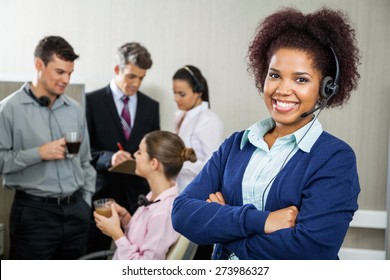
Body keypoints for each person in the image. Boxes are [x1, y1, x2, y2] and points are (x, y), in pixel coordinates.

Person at [172, 7, 361, 260]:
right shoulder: (235, 145)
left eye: (301, 80)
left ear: (325, 89)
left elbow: (309, 250)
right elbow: (182, 213)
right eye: (275, 75)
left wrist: (225, 224)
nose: (283, 89)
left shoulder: (335, 158)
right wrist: (263, 221)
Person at [0, 36, 96, 259]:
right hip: (34, 215)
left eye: (70, 73)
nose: (66, 79)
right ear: (38, 65)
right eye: (60, 72)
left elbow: (85, 162)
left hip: (76, 213)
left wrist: (86, 202)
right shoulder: (8, 110)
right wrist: (39, 153)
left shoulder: (74, 109)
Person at [85, 42, 160, 253]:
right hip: (102, 195)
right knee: (94, 255)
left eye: (141, 78)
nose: (136, 83)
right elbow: (83, 152)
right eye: (131, 76)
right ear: (117, 69)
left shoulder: (151, 106)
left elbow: (154, 150)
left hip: (138, 197)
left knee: (136, 257)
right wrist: (109, 158)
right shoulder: (91, 102)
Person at [94, 130, 196, 259]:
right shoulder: (153, 196)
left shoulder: (163, 213)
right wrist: (126, 220)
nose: (135, 155)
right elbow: (143, 238)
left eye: (140, 152)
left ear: (154, 163)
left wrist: (117, 235)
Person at [172, 65, 224, 259]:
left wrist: (176, 164)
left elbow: (212, 166)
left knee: (194, 255)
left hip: (196, 195)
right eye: (174, 93)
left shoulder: (209, 120)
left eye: (182, 94)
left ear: (198, 92)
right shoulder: (181, 116)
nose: (176, 99)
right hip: (180, 190)